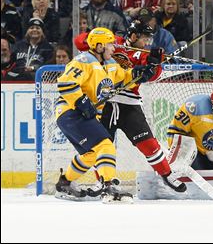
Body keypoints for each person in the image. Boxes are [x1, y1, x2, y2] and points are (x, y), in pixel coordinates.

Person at [54, 27, 159, 202]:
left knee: (91, 155)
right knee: (106, 146)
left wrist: (144, 71)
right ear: (100, 45)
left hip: (79, 115)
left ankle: (64, 183)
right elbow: (65, 83)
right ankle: (108, 187)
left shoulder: (109, 65)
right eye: (110, 44)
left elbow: (125, 77)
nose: (113, 48)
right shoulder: (84, 60)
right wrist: (81, 102)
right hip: (70, 111)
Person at [99, 21, 187, 193]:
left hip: (129, 104)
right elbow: (87, 44)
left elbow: (153, 77)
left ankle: (167, 174)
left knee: (148, 143)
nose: (147, 43)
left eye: (149, 39)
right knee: (102, 145)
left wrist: (154, 64)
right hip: (106, 102)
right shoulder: (113, 43)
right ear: (133, 36)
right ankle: (104, 181)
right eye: (144, 39)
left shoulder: (145, 55)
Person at [167, 86, 213, 171]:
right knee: (191, 174)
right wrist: (178, 154)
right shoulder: (195, 106)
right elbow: (175, 130)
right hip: (193, 152)